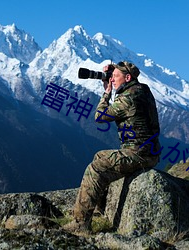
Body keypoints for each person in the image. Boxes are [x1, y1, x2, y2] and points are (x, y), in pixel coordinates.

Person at [63, 61, 161, 233]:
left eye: (116, 77)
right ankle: (100, 210)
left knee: (95, 168)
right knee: (100, 156)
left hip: (138, 154)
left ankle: (80, 224)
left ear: (128, 78)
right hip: (148, 152)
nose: (112, 79)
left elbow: (100, 116)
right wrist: (114, 72)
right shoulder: (142, 90)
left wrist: (106, 92)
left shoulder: (128, 98)